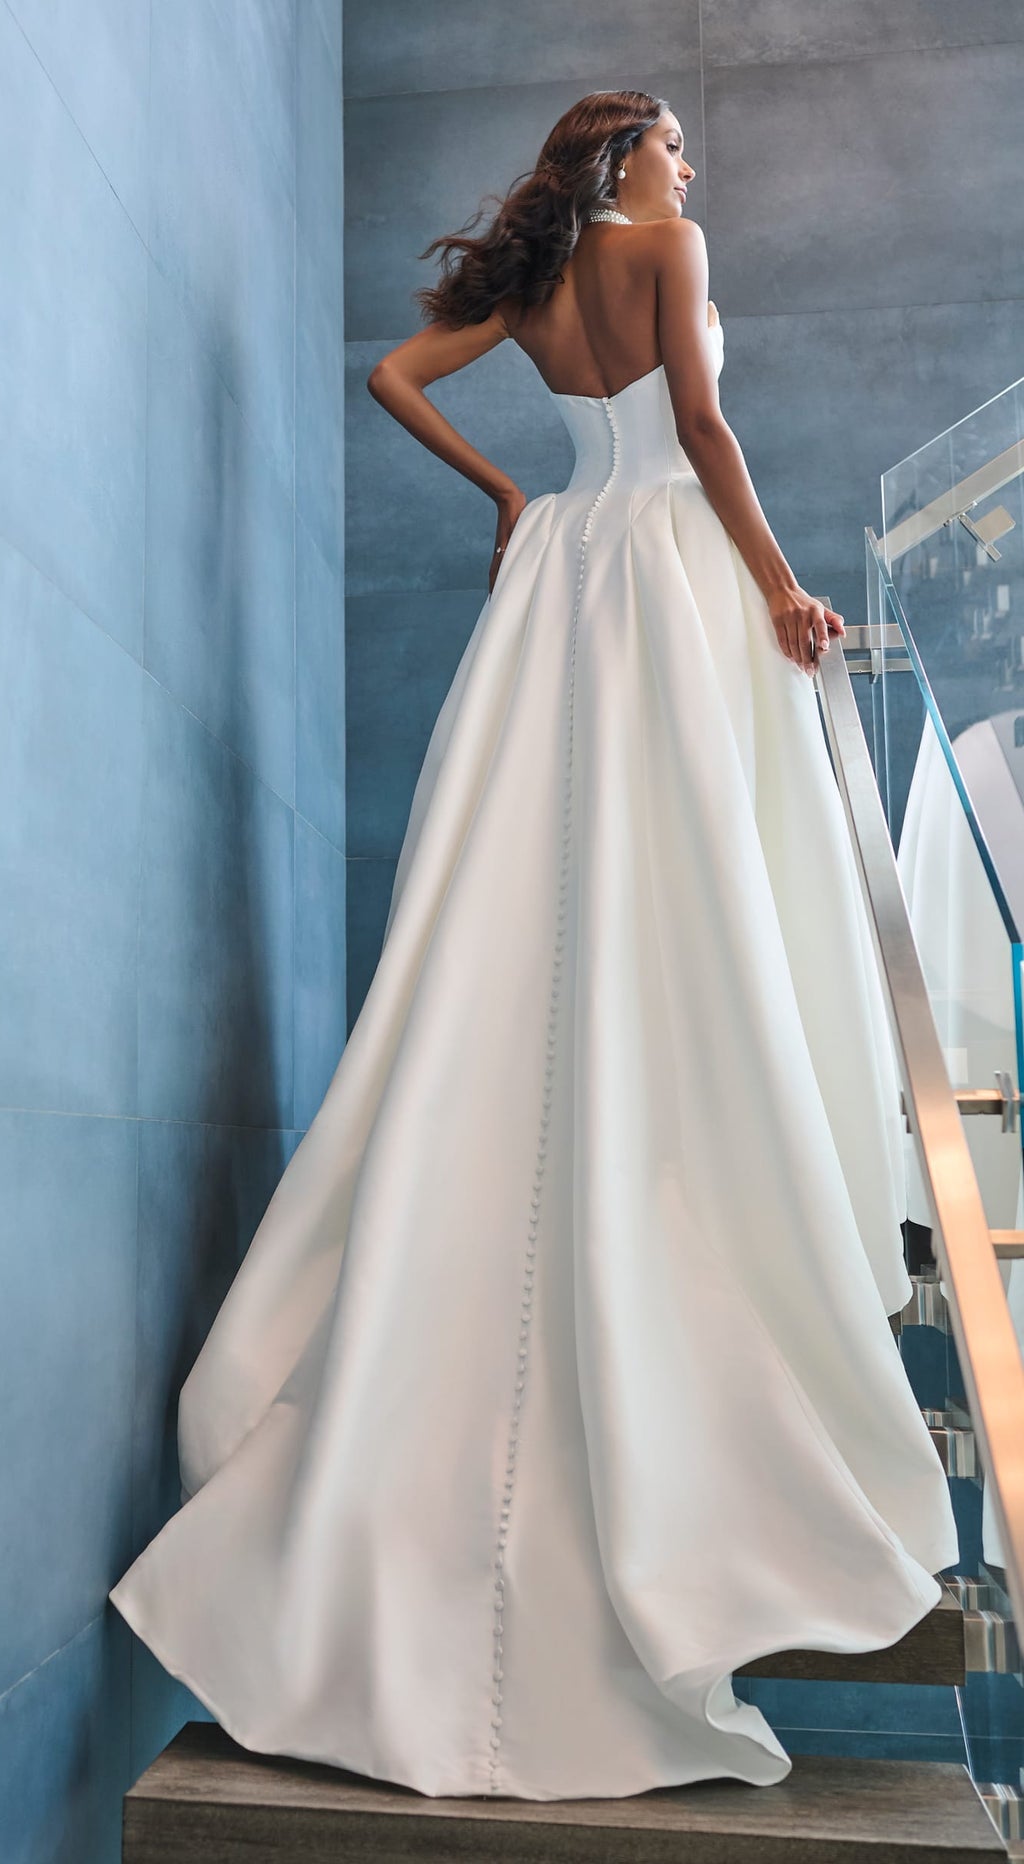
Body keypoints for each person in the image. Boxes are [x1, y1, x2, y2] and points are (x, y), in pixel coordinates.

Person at [109, 88, 959, 1801]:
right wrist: (787, 589)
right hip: (664, 574)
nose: (693, 169)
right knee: (682, 890)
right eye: (674, 146)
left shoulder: (546, 268)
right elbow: (706, 434)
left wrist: (514, 495)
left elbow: (391, 380)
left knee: (523, 913)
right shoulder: (666, 247)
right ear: (632, 152)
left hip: (564, 577)